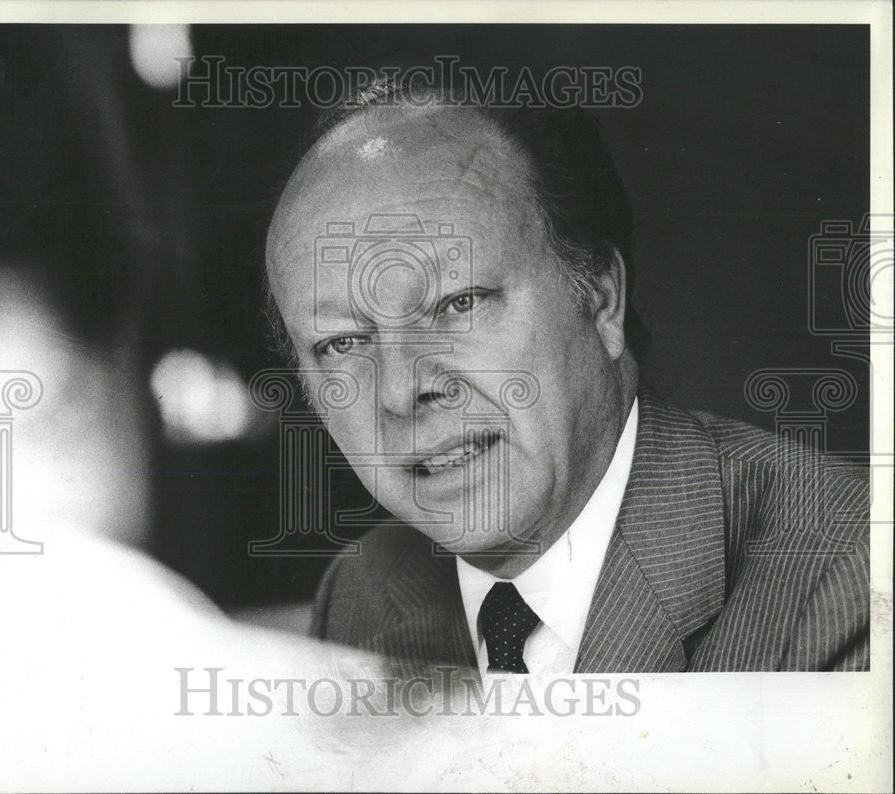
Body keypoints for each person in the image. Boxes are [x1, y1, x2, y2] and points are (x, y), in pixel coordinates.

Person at [263, 81, 869, 677]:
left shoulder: (852, 580)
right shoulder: (360, 594)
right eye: (341, 343)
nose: (400, 390)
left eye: (458, 303)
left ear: (602, 298)